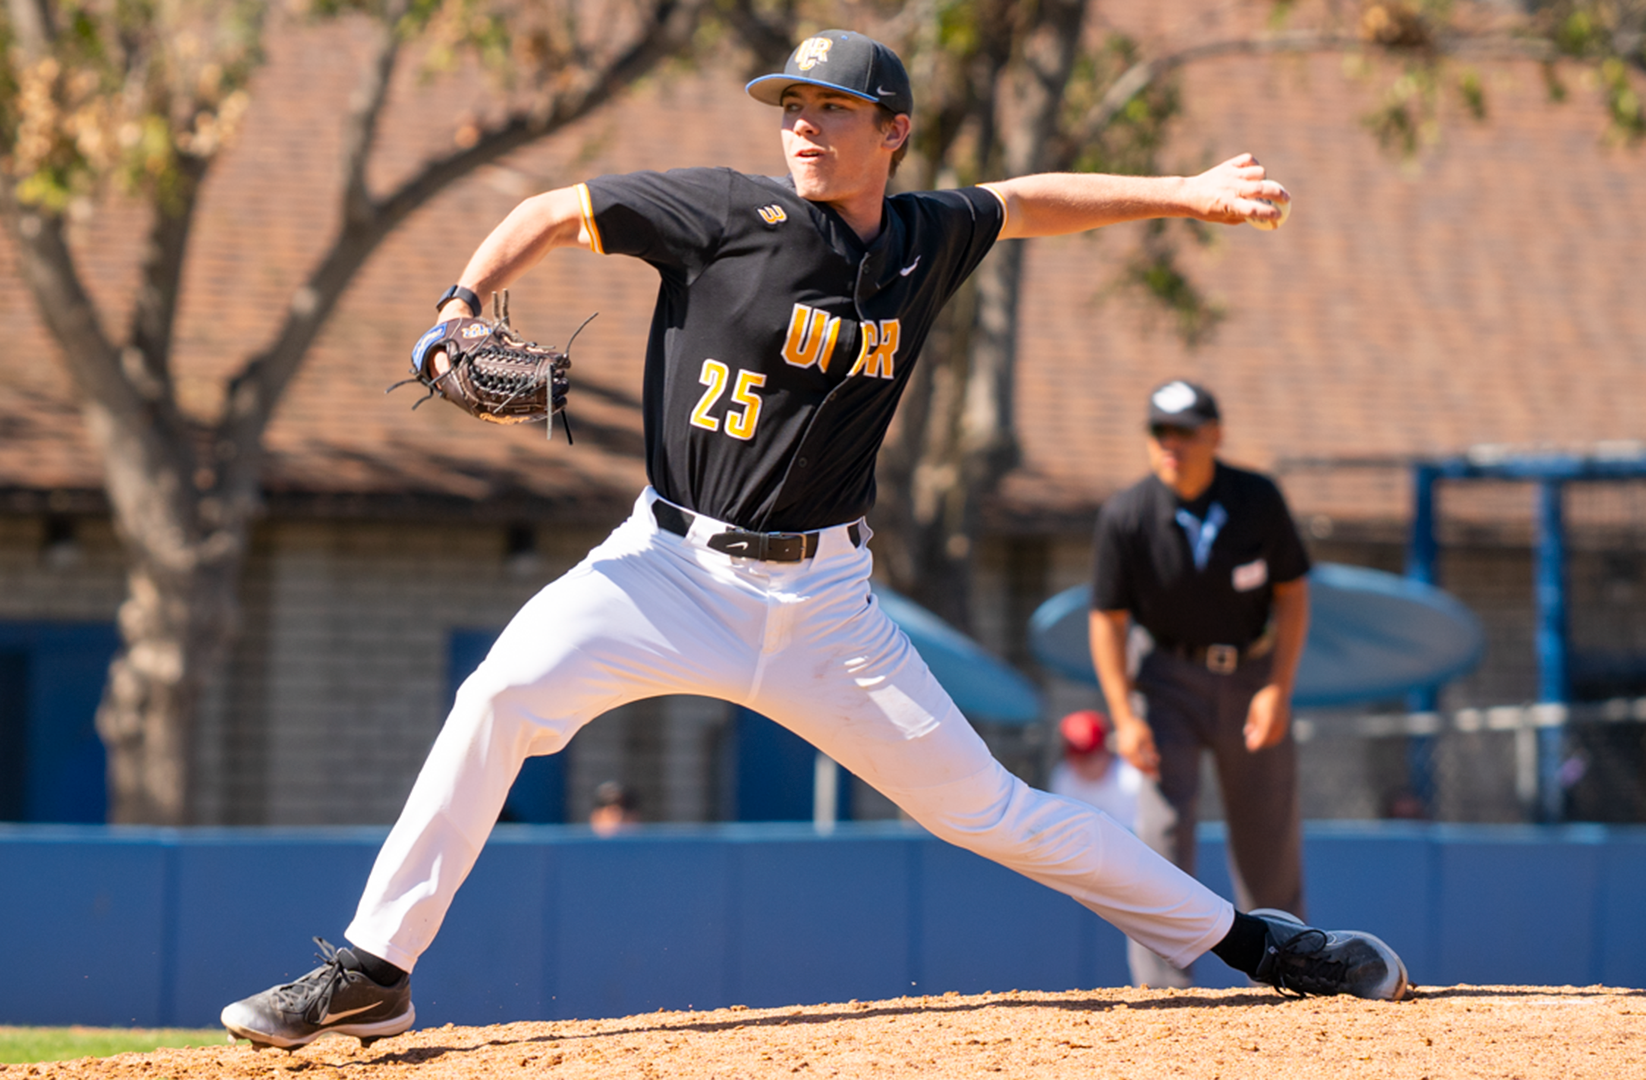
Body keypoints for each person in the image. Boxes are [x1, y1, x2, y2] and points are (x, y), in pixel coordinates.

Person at [219, 30, 1406, 1050]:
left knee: (993, 812)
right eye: (792, 105)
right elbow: (549, 212)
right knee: (497, 700)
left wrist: (1184, 192)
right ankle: (375, 972)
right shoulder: (727, 214)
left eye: (832, 108)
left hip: (827, 606)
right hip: (664, 570)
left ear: (894, 131)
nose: (802, 124)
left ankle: (1259, 943)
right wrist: (458, 306)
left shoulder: (926, 239)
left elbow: (1032, 201)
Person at [1087, 380, 1313, 989]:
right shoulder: (1128, 514)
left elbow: (1292, 596)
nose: (1172, 443)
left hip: (1252, 677)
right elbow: (1106, 621)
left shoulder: (1257, 499)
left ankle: (1289, 971)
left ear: (1215, 434)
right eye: (1159, 431)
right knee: (1162, 832)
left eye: (1185, 431)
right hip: (1165, 682)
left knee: (1268, 836)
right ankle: (1164, 990)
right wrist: (1123, 717)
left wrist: (1279, 688)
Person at [1046, 710, 1144, 830]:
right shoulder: (1063, 776)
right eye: (1076, 757)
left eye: (1089, 757)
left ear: (1105, 751)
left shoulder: (1129, 778)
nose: (1083, 764)